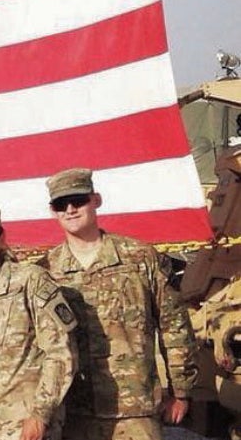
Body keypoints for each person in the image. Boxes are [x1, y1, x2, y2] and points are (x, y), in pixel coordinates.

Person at [41, 168, 197, 440]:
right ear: (53, 211)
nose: (70, 209)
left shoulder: (139, 258)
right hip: (75, 411)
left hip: (135, 409)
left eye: (78, 200)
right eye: (60, 204)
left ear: (96, 200)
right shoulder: (46, 270)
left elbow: (174, 325)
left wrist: (181, 391)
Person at [0, 209, 77, 440]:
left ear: (0, 239)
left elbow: (60, 352)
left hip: (28, 426)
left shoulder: (31, 280)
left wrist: (41, 414)